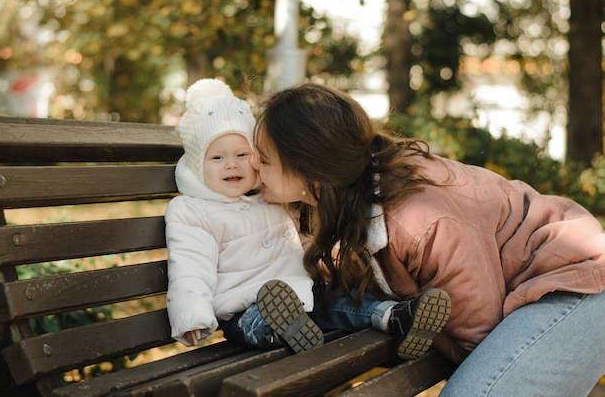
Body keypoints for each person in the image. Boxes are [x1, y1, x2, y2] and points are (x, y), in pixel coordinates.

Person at [251, 81, 605, 397]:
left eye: (264, 160)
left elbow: (477, 333)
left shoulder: (418, 218)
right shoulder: (337, 198)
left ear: (309, 170)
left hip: (574, 285)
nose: (253, 165)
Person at [165, 78, 451, 359]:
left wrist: (323, 256)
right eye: (217, 158)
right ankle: (287, 330)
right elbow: (190, 267)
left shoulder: (268, 198)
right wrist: (192, 315)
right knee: (254, 323)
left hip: (302, 293)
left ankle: (395, 316)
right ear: (197, 165)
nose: (232, 164)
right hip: (242, 304)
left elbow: (296, 240)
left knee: (339, 301)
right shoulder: (192, 211)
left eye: (243, 154)